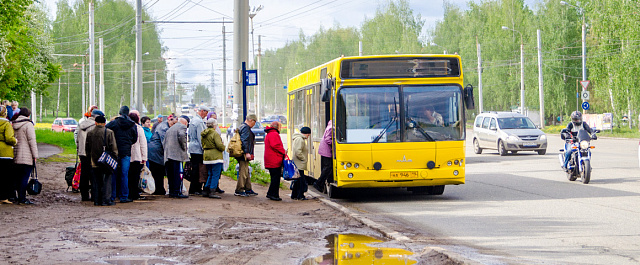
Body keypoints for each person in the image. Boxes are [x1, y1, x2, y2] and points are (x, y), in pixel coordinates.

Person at [105, 106, 138, 203]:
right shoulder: (132, 125)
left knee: (113, 174)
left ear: (119, 113)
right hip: (126, 152)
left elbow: (105, 131)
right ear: (127, 113)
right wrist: (128, 143)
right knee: (124, 175)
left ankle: (112, 196)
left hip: (114, 152)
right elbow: (134, 139)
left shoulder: (113, 123)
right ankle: (124, 196)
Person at [85, 115, 118, 206]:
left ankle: (97, 200)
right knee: (107, 181)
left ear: (95, 122)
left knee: (96, 181)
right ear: (104, 123)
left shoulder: (90, 133)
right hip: (106, 161)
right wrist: (114, 158)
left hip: (94, 161)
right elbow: (114, 148)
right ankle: (106, 200)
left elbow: (87, 148)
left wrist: (90, 158)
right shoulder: (109, 132)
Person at [75, 109, 103, 201]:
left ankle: (84, 195)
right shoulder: (94, 126)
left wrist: (79, 150)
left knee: (84, 174)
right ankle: (94, 195)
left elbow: (77, 140)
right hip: (92, 153)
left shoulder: (81, 125)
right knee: (93, 174)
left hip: (82, 153)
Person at [12, 108, 38, 205]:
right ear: (28, 115)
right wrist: (35, 155)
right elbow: (32, 141)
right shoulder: (28, 125)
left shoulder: (13, 124)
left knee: (17, 178)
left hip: (15, 155)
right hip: (26, 156)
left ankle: (16, 196)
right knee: (24, 178)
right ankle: (22, 198)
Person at [147, 116, 176, 195]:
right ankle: (159, 189)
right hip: (155, 152)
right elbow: (165, 142)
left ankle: (160, 189)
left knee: (158, 172)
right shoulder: (164, 128)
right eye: (173, 123)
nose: (173, 125)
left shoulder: (164, 126)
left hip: (155, 152)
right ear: (169, 120)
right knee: (158, 171)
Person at [164, 116, 189, 198]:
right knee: (178, 174)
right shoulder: (182, 126)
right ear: (185, 123)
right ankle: (177, 192)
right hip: (177, 155)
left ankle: (172, 192)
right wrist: (184, 147)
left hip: (168, 155)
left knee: (171, 175)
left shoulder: (170, 128)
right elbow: (182, 136)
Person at [201, 118, 225, 199]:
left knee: (210, 173)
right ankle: (212, 191)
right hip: (215, 156)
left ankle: (206, 190)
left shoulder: (204, 133)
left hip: (206, 155)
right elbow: (219, 145)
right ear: (214, 125)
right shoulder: (215, 133)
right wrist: (223, 146)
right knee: (215, 174)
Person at [187, 106, 209, 195]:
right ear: (202, 111)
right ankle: (196, 188)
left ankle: (193, 188)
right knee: (198, 169)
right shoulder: (199, 122)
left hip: (192, 147)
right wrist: (204, 148)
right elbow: (201, 137)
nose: (206, 115)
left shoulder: (193, 120)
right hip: (198, 149)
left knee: (195, 168)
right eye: (206, 113)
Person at [234, 114, 258, 197]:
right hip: (243, 153)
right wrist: (247, 152)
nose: (254, 124)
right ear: (251, 120)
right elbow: (245, 141)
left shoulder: (242, 126)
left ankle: (248, 189)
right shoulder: (246, 128)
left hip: (241, 152)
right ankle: (239, 189)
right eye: (254, 122)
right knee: (243, 172)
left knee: (246, 171)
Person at [127, 111, 147, 200]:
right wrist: (144, 157)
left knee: (128, 175)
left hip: (127, 155)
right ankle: (134, 194)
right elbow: (143, 144)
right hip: (136, 155)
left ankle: (127, 193)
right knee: (135, 176)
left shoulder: (125, 128)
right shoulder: (138, 128)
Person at [264, 121, 286, 201]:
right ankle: (274, 194)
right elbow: (275, 145)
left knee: (274, 178)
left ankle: (270, 193)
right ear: (277, 127)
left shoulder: (269, 133)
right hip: (274, 160)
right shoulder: (274, 134)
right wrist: (283, 151)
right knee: (275, 178)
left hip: (270, 159)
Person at [0, 105, 17, 204]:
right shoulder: (6, 124)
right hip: (5, 153)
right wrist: (15, 141)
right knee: (6, 176)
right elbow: (9, 138)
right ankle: (4, 197)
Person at [291, 126, 311, 200]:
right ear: (305, 133)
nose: (308, 136)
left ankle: (294, 195)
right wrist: (304, 159)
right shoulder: (300, 139)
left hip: (298, 163)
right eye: (308, 135)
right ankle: (300, 195)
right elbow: (298, 151)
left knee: (297, 180)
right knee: (301, 181)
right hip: (299, 163)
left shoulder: (299, 138)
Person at [314, 120, 333, 193]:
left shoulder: (330, 126)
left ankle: (321, 183)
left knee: (327, 167)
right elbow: (328, 139)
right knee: (327, 167)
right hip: (326, 151)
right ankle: (319, 183)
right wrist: (334, 143)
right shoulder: (331, 128)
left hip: (325, 150)